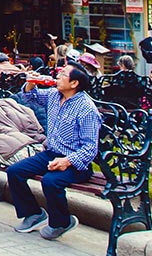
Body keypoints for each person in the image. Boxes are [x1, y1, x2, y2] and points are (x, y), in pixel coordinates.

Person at [8, 64, 102, 241]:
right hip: (51, 154)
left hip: (76, 163)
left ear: (74, 83)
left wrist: (66, 161)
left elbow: (90, 149)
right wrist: (31, 82)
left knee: (51, 182)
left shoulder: (86, 109)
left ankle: (61, 222)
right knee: (15, 172)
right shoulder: (53, 95)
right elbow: (30, 96)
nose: (58, 76)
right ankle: (33, 214)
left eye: (63, 74)